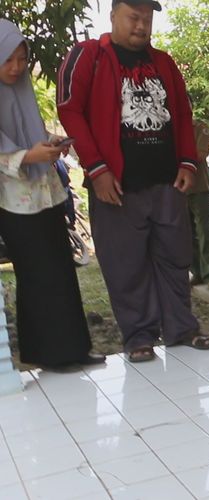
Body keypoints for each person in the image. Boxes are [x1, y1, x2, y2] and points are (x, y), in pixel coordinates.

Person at [57, 0, 209, 363]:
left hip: (166, 182)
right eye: (134, 17)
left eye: (147, 19)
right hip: (117, 185)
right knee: (125, 265)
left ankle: (182, 328)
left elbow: (181, 114)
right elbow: (69, 110)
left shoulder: (163, 62)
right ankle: (139, 336)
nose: (142, 26)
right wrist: (96, 169)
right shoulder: (88, 56)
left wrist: (188, 163)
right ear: (113, 15)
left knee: (175, 258)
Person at [0, 20, 105, 370]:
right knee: (36, 274)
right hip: (13, 202)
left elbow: (30, 132)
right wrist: (29, 156)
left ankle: (75, 349)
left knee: (61, 268)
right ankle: (50, 355)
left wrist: (50, 145)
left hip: (43, 194)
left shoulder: (21, 90)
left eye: (21, 59)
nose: (16, 67)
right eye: (7, 60)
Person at [187, 118, 209, 292]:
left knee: (203, 232)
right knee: (186, 234)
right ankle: (197, 272)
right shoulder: (169, 126)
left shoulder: (200, 127)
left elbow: (201, 153)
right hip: (177, 190)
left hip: (199, 187)